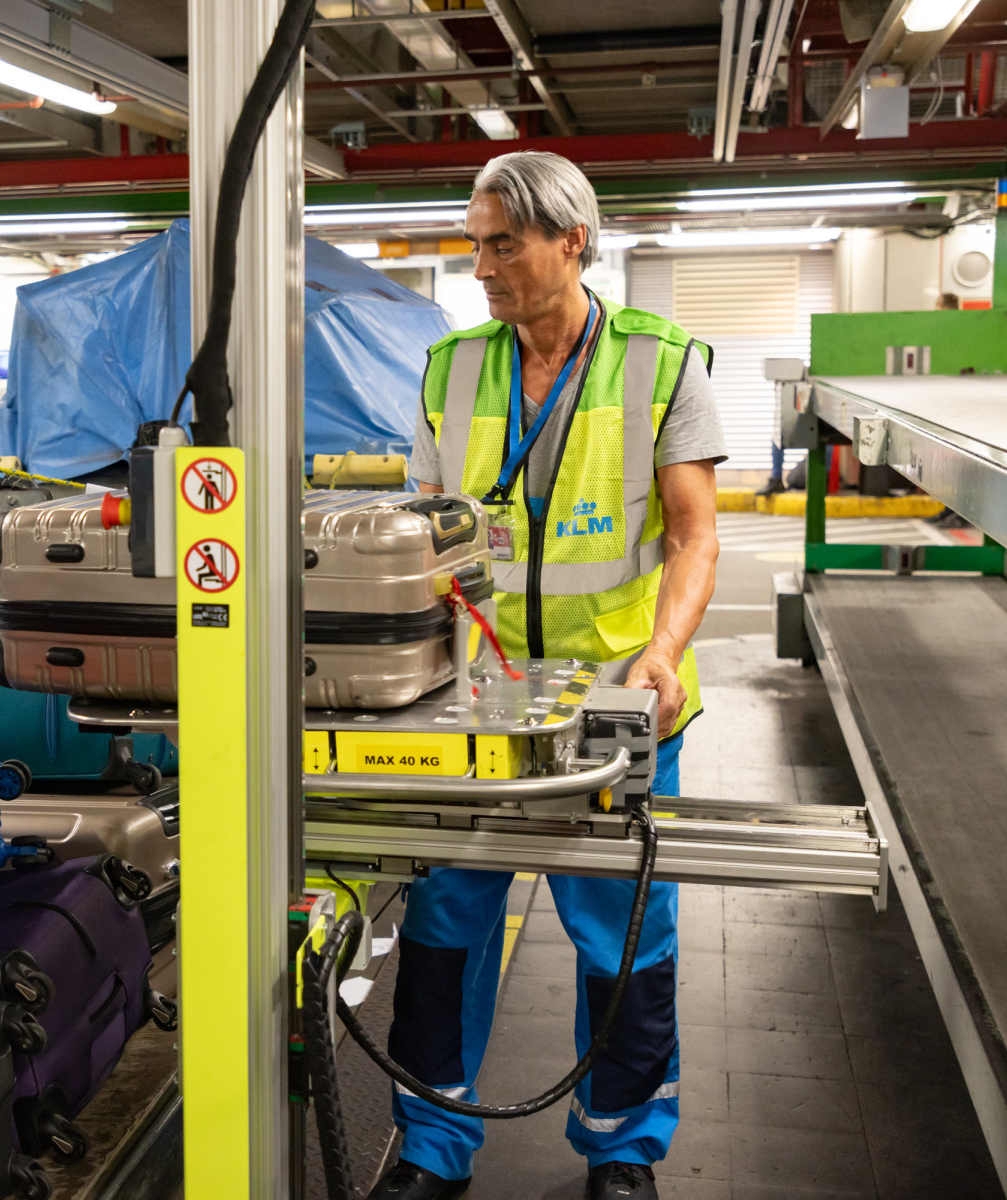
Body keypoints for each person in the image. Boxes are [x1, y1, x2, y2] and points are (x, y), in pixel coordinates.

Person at [380, 152, 724, 1200]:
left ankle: (620, 1151)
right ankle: (432, 1150)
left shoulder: (660, 362)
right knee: (440, 932)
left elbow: (692, 535)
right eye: (474, 244)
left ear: (572, 241)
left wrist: (658, 654)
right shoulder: (451, 368)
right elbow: (420, 537)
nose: (480, 267)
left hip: (613, 704)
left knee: (620, 935)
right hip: (472, 707)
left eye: (503, 245)